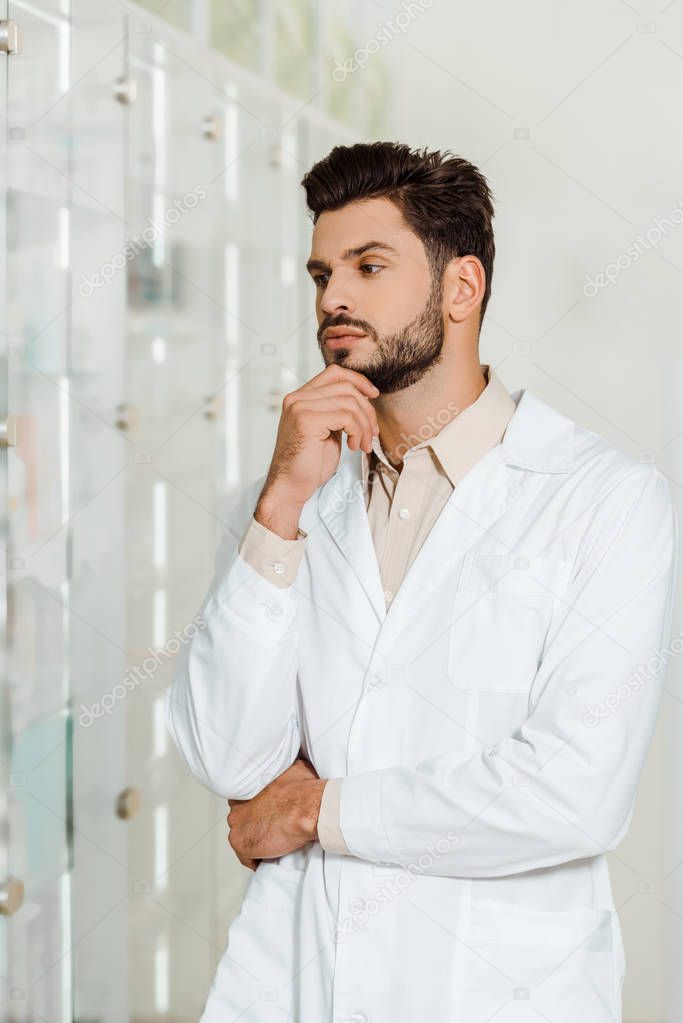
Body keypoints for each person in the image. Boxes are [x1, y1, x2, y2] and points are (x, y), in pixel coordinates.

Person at [165, 141, 678, 1022]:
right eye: (322, 271)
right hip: (295, 988)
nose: (332, 297)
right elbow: (228, 756)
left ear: (460, 289)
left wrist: (314, 811)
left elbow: (570, 794)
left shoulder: (605, 501)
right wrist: (281, 501)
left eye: (369, 266)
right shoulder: (288, 499)